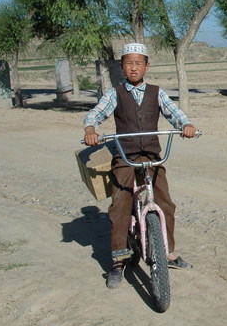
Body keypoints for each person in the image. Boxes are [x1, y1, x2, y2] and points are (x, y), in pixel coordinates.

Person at [83, 42, 198, 289]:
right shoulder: (115, 93)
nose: (133, 68)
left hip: (152, 157)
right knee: (120, 205)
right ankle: (119, 260)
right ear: (122, 67)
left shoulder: (157, 92)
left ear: (146, 66)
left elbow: (175, 113)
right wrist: (91, 128)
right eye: (128, 63)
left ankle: (167, 253)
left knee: (165, 202)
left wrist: (186, 125)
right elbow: (96, 113)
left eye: (138, 63)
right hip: (125, 157)